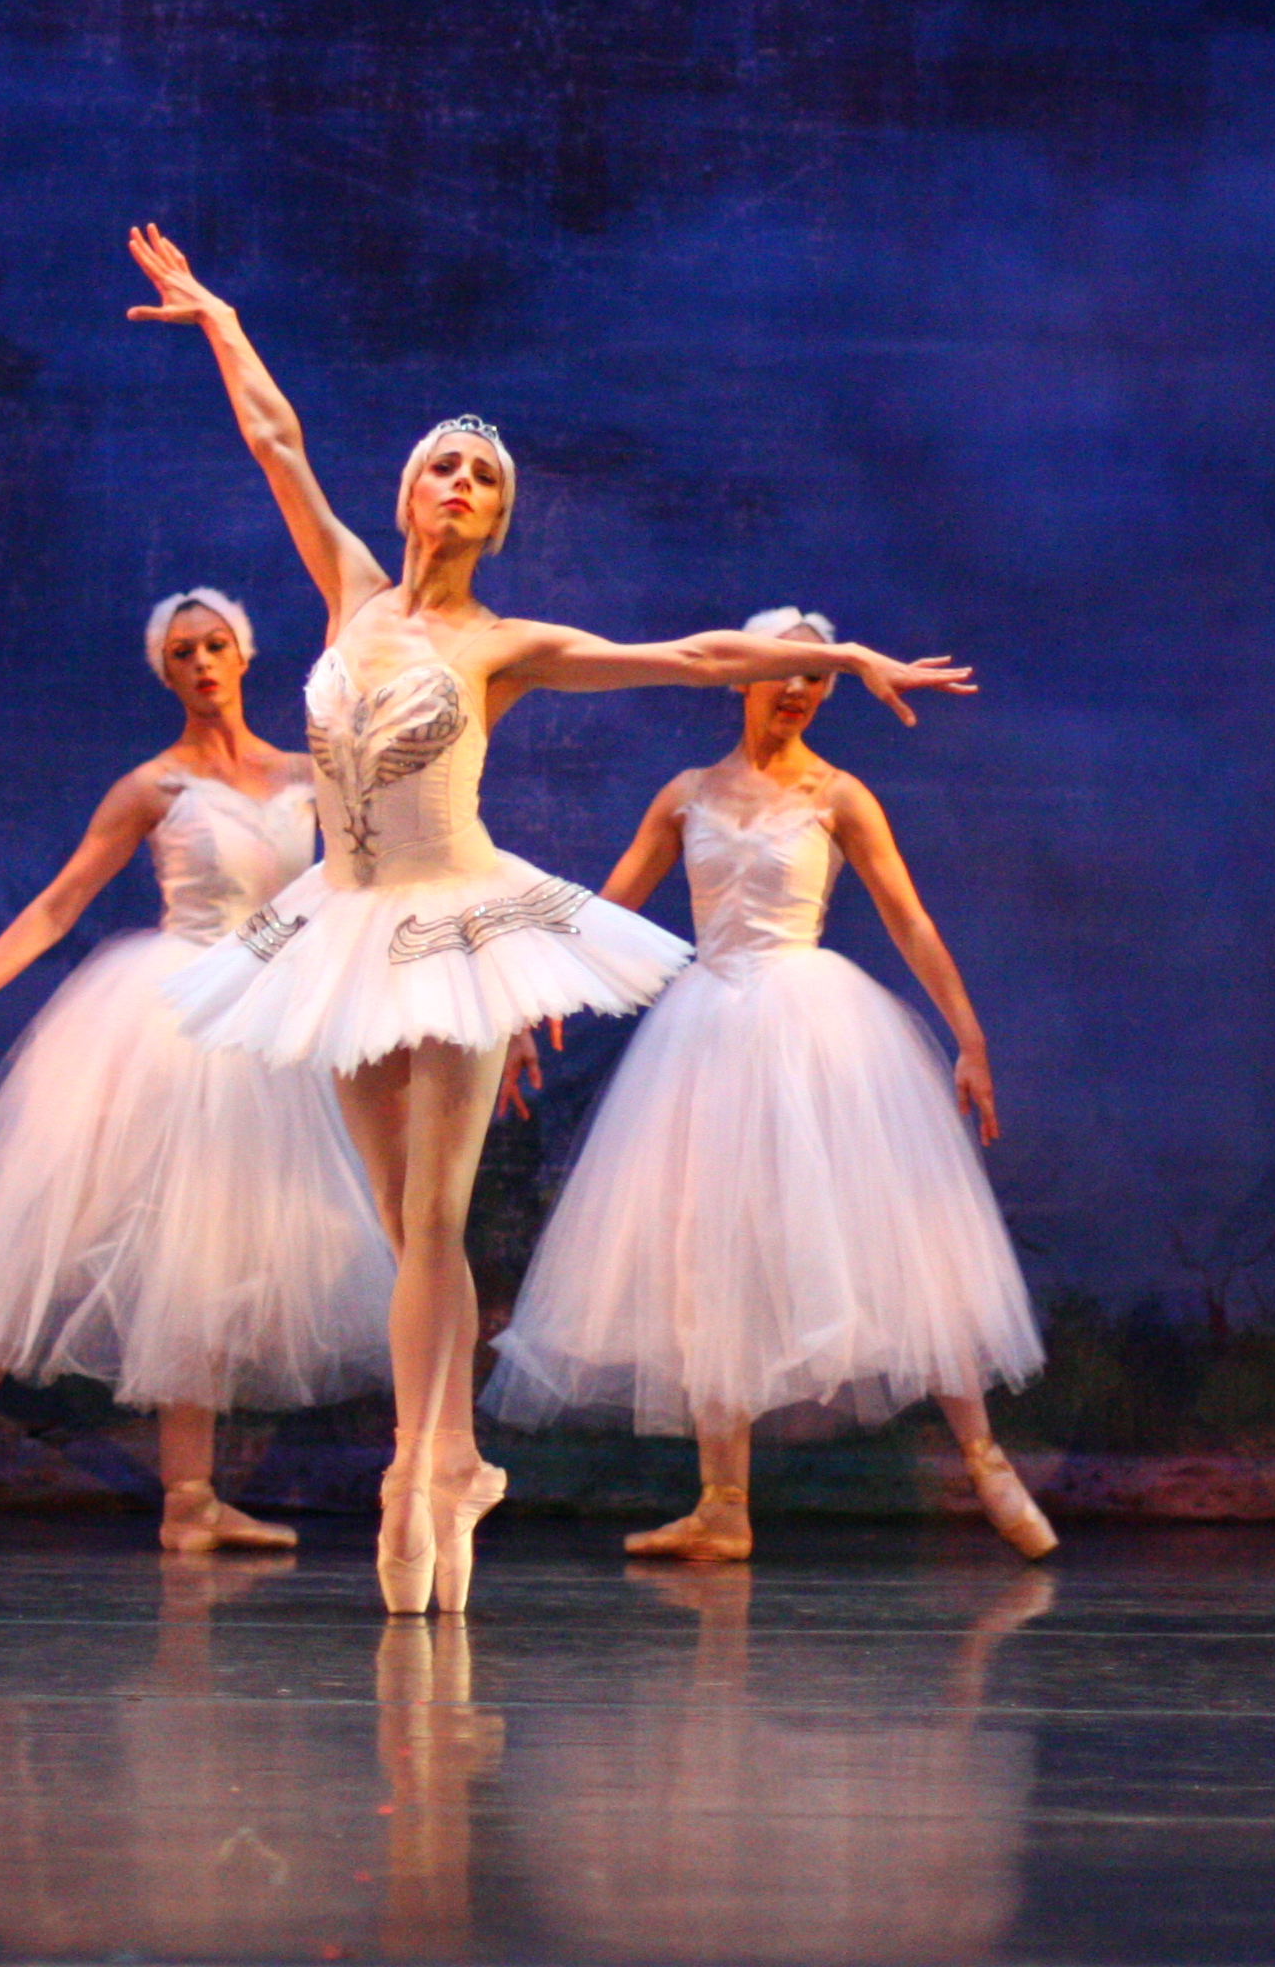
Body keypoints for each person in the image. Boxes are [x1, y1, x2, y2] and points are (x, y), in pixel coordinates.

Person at [126, 222, 975, 1613]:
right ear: (405, 499)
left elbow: (692, 654)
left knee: (441, 1212)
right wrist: (221, 317)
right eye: (442, 467)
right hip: (339, 925)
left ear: (497, 519)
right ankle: (455, 1457)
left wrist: (845, 651)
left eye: (484, 478)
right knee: (408, 1233)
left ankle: (415, 1478)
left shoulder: (503, 644)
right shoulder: (346, 593)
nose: (459, 484)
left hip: (457, 921)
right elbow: (278, 442)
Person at [488, 608, 1052, 1560]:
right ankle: (722, 1502)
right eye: (782, 669)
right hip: (707, 1033)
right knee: (709, 1250)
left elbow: (908, 920)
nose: (797, 688)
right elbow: (609, 909)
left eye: (815, 676)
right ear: (745, 674)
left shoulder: (840, 795)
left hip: (813, 1028)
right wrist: (523, 1009)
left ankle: (987, 1461)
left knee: (895, 1238)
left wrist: (968, 1034)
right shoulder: (687, 794)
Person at [0, 589, 389, 1549]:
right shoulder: (151, 787)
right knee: (51, 1222)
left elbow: (381, 886)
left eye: (216, 646)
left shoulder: (307, 779)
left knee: (203, 1258)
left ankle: (188, 1501)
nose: (202, 663)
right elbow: (58, 904)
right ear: (167, 670)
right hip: (165, 1015)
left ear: (244, 656)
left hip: (266, 1022)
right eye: (184, 651)